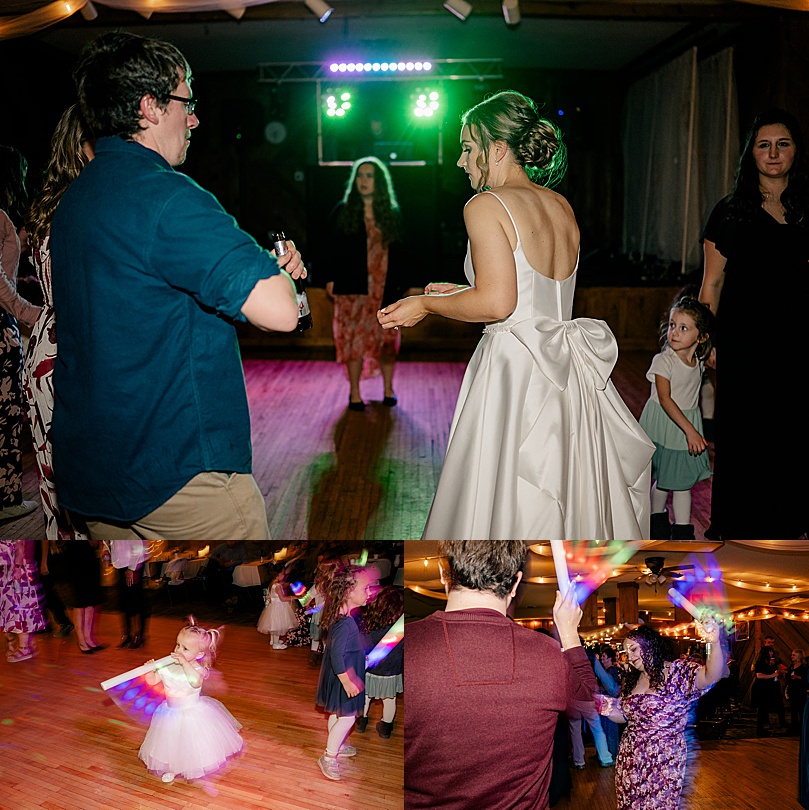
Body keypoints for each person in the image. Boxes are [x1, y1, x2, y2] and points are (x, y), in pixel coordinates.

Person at [49, 31, 304, 541]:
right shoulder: (168, 197)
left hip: (96, 474)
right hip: (176, 474)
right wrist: (273, 270)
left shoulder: (77, 199)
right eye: (186, 102)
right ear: (149, 107)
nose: (194, 119)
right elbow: (282, 312)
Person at [378, 90, 653, 540]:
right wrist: (462, 290)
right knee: (563, 485)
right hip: (566, 370)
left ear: (498, 149)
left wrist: (426, 304)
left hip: (516, 366)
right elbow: (535, 291)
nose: (461, 161)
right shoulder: (560, 205)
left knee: (503, 494)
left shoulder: (485, 205)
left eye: (468, 148)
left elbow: (499, 304)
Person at [405, 540, 597, 810]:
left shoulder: (406, 644)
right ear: (516, 583)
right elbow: (591, 702)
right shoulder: (549, 654)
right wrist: (569, 633)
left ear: (441, 571)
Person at [699, 108, 809, 539]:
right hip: (746, 341)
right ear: (752, 155)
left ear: (796, 151)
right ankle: (744, 522)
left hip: (799, 339)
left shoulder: (806, 207)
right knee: (748, 434)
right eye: (764, 145)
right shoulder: (730, 212)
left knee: (795, 430)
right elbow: (711, 283)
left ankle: (793, 518)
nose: (774, 153)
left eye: (783, 143)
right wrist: (707, 342)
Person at [23, 105, 93, 541]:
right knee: (80, 487)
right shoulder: (83, 207)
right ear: (82, 148)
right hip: (72, 351)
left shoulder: (55, 201)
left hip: (46, 347)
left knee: (60, 489)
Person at [599, 622, 725, 809]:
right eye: (626, 652)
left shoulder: (677, 672)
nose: (630, 656)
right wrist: (606, 708)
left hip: (664, 760)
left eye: (633, 649)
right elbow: (625, 716)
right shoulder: (633, 679)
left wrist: (714, 642)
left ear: (650, 645)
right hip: (630, 760)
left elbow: (711, 675)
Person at [325, 156, 406, 410]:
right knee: (353, 342)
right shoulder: (343, 210)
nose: (364, 181)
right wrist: (329, 278)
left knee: (386, 340)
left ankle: (388, 389)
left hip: (384, 288)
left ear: (379, 182)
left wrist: (403, 285)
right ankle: (355, 393)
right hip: (353, 288)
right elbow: (329, 249)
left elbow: (404, 252)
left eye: (370, 176)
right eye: (360, 176)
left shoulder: (391, 213)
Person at [638, 296, 715, 541]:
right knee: (665, 479)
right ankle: (657, 521)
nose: (674, 332)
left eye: (684, 328)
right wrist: (691, 431)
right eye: (672, 325)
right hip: (666, 425)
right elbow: (665, 399)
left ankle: (681, 530)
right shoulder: (663, 361)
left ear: (701, 337)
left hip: (684, 426)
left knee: (679, 481)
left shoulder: (699, 362)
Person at [139, 619, 243, 783]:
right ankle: (172, 768)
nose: (178, 651)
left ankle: (191, 765)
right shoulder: (168, 665)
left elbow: (195, 681)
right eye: (177, 645)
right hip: (169, 712)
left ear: (199, 654)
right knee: (171, 742)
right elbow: (153, 681)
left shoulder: (197, 670)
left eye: (185, 648)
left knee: (190, 743)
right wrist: (150, 671)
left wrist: (184, 663)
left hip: (191, 714)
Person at [0, 145, 41, 524]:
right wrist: (29, 313)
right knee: (8, 415)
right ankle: (7, 498)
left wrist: (25, 278)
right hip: (1, 329)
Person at [314, 563, 373, 781]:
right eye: (365, 588)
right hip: (343, 675)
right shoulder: (345, 623)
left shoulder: (340, 616)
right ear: (348, 591)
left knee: (337, 713)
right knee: (347, 718)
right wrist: (348, 681)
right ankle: (328, 757)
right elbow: (337, 656)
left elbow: (341, 649)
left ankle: (335, 743)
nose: (369, 592)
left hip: (340, 674)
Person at [356, 584, 403, 739]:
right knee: (390, 699)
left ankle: (361, 722)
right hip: (391, 670)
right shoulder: (401, 628)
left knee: (366, 697)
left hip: (369, 668)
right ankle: (385, 728)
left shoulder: (370, 623)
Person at [0, 540, 46, 662]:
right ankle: (19, 643)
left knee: (20, 608)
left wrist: (18, 567)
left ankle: (25, 647)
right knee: (9, 609)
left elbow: (21, 544)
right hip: (6, 571)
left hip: (15, 570)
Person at [106, 540, 150, 650]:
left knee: (135, 600)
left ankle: (138, 635)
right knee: (124, 601)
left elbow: (138, 545)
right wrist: (106, 549)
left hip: (133, 564)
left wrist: (132, 568)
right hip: (120, 563)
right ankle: (128, 635)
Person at [62, 538, 104, 653]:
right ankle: (81, 640)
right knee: (79, 601)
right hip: (75, 553)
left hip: (89, 554)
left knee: (91, 600)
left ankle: (88, 638)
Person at [752, 635, 787, 736]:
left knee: (774, 704)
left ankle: (781, 722)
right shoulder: (760, 659)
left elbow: (779, 664)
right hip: (762, 687)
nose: (771, 648)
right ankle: (762, 727)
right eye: (769, 643)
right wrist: (773, 674)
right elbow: (758, 674)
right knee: (762, 708)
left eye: (772, 643)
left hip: (771, 684)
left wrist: (782, 671)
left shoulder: (775, 655)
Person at [257, 568, 297, 649]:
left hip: (274, 606)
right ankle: (275, 644)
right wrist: (293, 597)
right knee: (277, 625)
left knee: (274, 624)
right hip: (279, 607)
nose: (284, 575)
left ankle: (273, 640)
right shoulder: (278, 586)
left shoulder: (273, 583)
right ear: (277, 575)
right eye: (282, 574)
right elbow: (282, 598)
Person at [204, 541, 248, 608]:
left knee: (226, 577)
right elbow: (210, 554)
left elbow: (244, 559)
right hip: (223, 569)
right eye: (229, 541)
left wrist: (232, 563)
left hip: (235, 569)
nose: (231, 543)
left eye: (232, 541)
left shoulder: (240, 547)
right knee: (215, 576)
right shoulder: (222, 547)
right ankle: (225, 599)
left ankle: (229, 598)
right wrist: (218, 559)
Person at [788, 649, 808, 735]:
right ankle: (794, 728)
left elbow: (805, 679)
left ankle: (801, 728)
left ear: (799, 657)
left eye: (794, 655)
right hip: (793, 690)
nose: (792, 656)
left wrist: (797, 677)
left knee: (801, 709)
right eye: (792, 655)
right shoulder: (792, 666)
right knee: (793, 710)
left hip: (800, 690)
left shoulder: (804, 667)